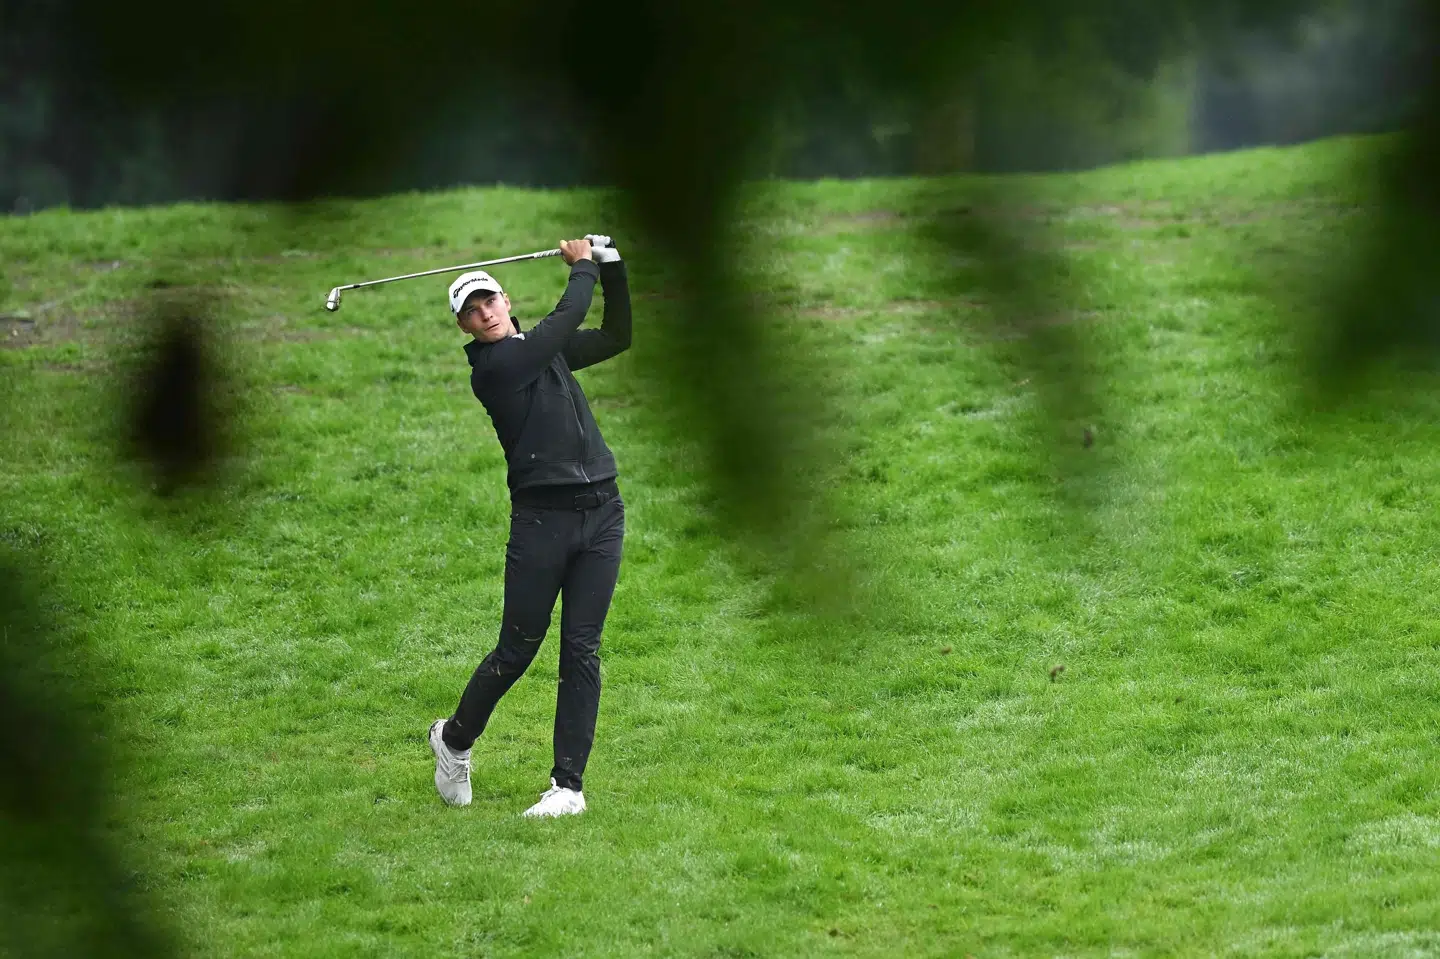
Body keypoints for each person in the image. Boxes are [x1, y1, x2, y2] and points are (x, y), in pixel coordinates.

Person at [429, 234, 631, 818]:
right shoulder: (495, 368)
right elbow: (561, 324)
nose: (484, 312)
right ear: (465, 327)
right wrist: (584, 269)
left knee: (582, 649)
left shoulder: (545, 351)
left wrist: (613, 269)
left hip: (602, 514)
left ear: (504, 298)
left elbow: (618, 336)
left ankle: (567, 788)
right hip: (543, 522)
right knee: (517, 650)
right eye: (471, 310)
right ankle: (455, 739)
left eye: (487, 300)